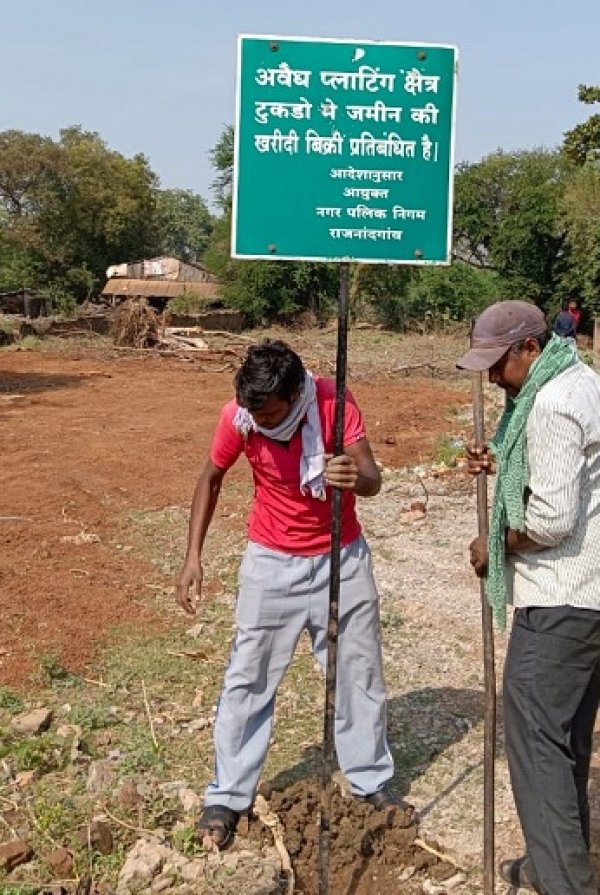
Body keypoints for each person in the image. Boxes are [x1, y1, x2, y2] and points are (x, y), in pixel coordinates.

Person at [175, 339, 404, 848]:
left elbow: (372, 478)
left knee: (357, 673)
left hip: (339, 560)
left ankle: (369, 780)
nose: (259, 421)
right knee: (248, 678)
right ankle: (228, 795)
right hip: (269, 563)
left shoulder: (330, 402)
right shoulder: (240, 416)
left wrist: (351, 475)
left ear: (297, 393)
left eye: (271, 412)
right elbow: (211, 478)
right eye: (253, 412)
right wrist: (193, 556)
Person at [458, 300, 600, 894]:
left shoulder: (551, 404)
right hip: (591, 601)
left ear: (531, 350)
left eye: (498, 364)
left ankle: (565, 883)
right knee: (564, 744)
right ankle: (551, 865)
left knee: (537, 743)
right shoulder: (583, 381)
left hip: (562, 600)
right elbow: (559, 473)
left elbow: (550, 518)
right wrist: (502, 463)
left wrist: (497, 542)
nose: (492, 378)